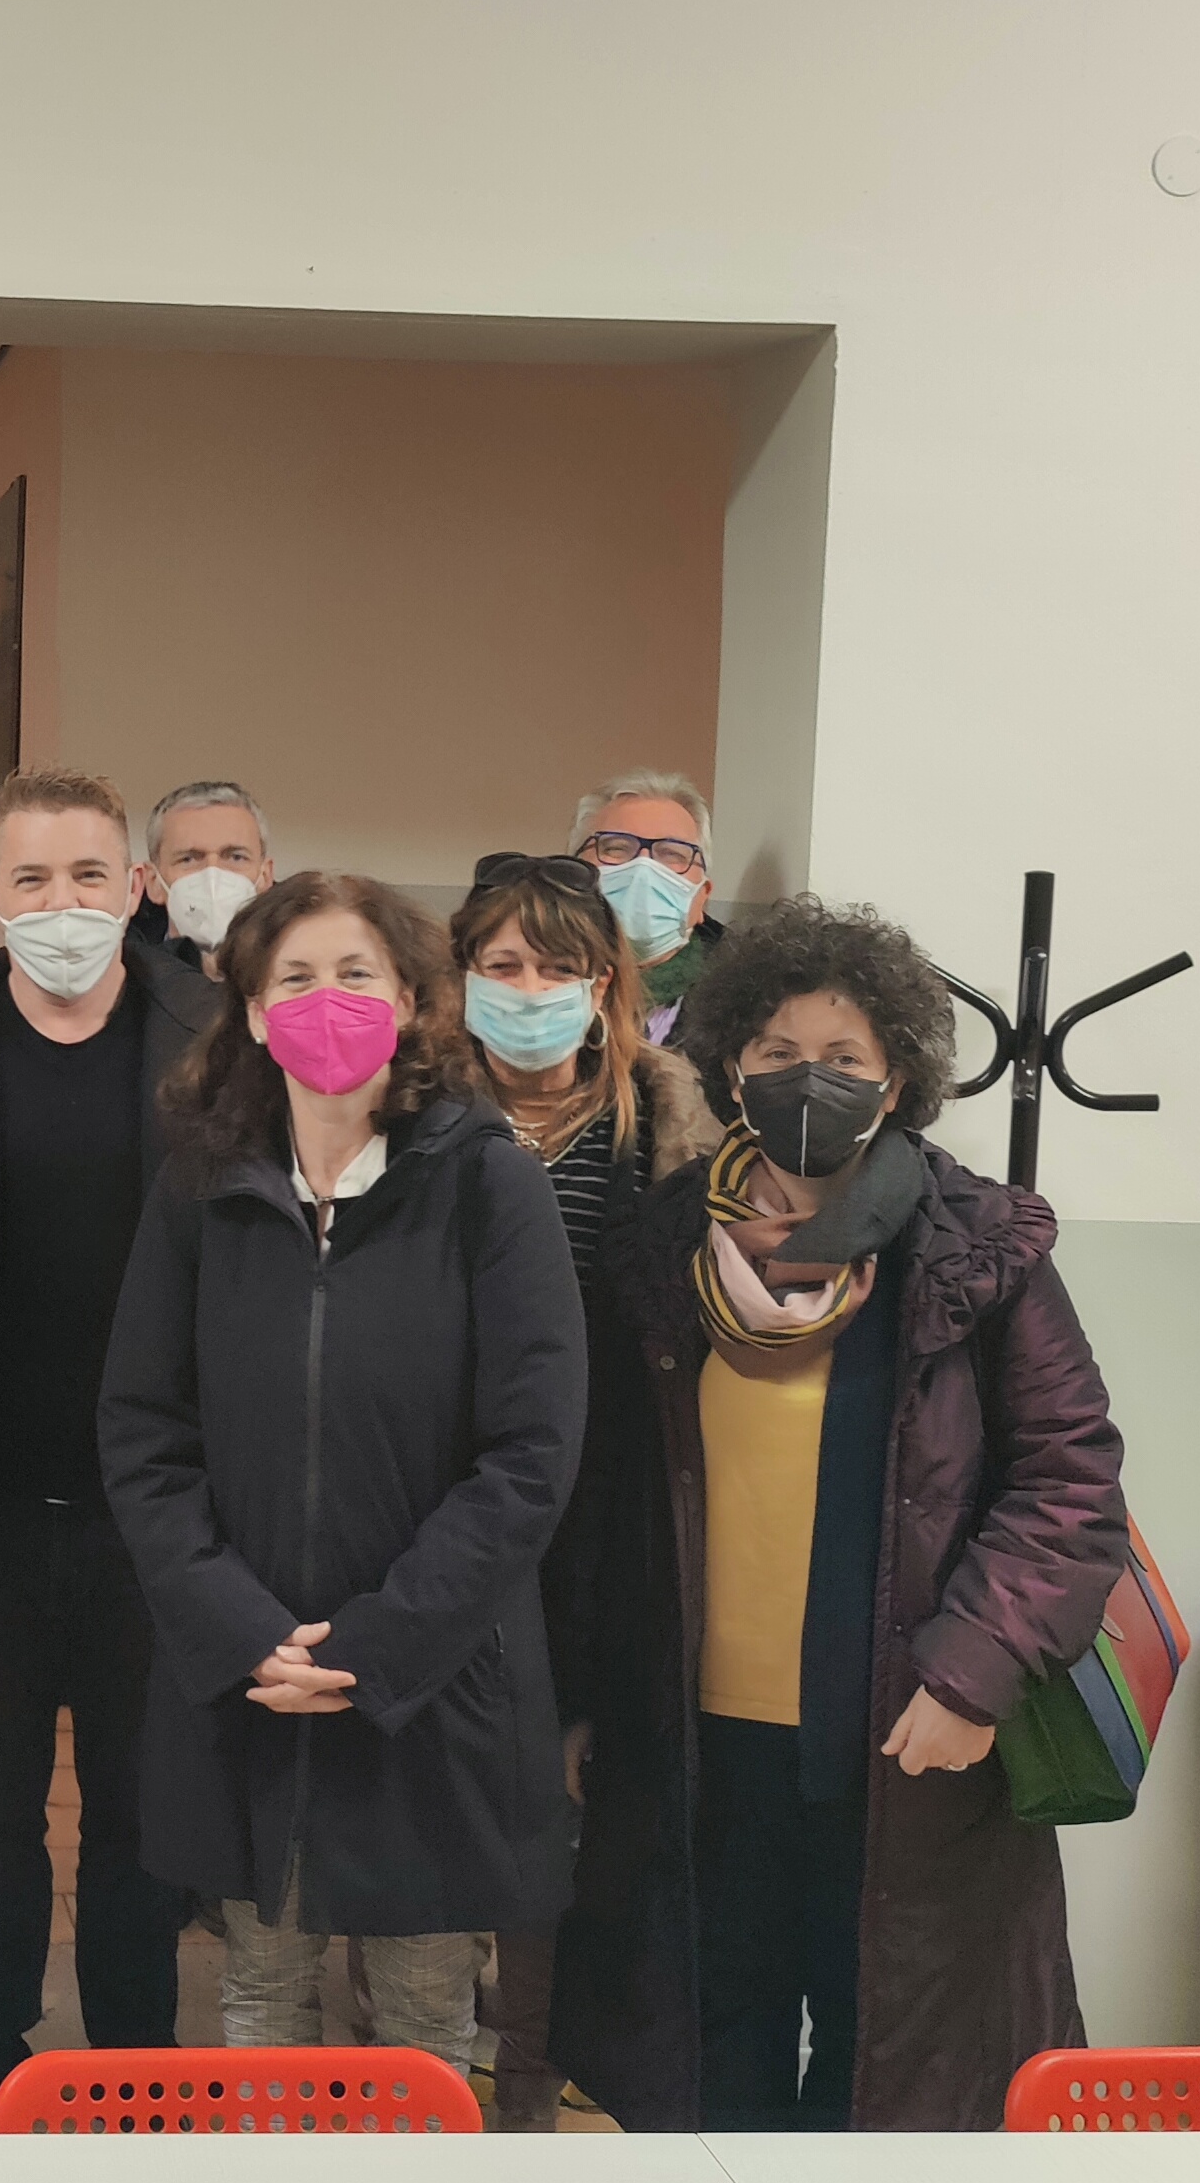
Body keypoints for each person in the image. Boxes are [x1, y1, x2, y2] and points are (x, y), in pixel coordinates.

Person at [553, 894, 1128, 2132]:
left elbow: (1068, 1481)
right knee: (714, 2048)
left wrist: (973, 1676)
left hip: (908, 1739)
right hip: (700, 1743)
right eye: (776, 1052)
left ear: (897, 1078)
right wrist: (583, 1694)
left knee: (889, 2064)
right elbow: (605, 1495)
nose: (806, 1079)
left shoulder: (974, 1248)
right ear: (730, 1067)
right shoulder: (659, 1251)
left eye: (842, 1057)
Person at [97, 873, 584, 2065]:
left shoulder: (488, 1180)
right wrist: (239, 1629)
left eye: (356, 974)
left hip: (430, 1676)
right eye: (296, 978)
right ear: (254, 1014)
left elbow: (531, 1452)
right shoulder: (200, 1187)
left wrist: (377, 1646)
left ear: (411, 1001)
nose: (327, 1001)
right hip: (252, 1676)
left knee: (422, 2019)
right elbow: (143, 1430)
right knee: (261, 2000)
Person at [0, 768, 219, 2128]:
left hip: (161, 1510)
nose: (62, 902)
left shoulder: (213, 1034)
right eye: (32, 879)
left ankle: (136, 2063)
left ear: (135, 887)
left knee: (143, 1818)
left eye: (87, 875)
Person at [448, 853, 719, 2125]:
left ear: (605, 984)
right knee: (435, 1793)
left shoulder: (658, 1132)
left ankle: (530, 2088)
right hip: (444, 1499)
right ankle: (421, 2067)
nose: (527, 990)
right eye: (501, 964)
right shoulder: (420, 1120)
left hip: (606, 1511)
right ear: (459, 978)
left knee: (568, 1809)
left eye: (556, 966)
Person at [566, 773, 721, 1044]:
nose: (643, 868)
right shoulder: (519, 977)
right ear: (571, 876)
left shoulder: (751, 1001)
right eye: (616, 848)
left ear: (702, 897)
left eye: (672, 854)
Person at [131, 779, 276, 966]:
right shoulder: (124, 973)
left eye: (236, 857)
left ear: (265, 877)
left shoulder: (299, 969)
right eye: (188, 859)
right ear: (153, 882)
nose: (212, 875)